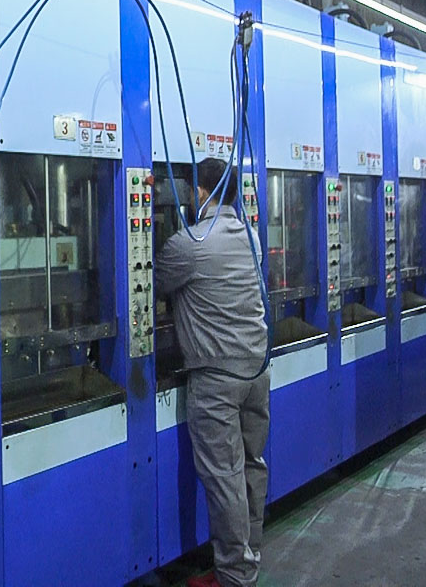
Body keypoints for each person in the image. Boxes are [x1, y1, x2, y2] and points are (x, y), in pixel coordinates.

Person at [154, 158, 270, 587]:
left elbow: (147, 284)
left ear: (201, 193)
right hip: (256, 370)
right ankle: (249, 554)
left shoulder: (191, 244)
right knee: (251, 464)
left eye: (190, 190)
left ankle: (235, 575)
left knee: (224, 478)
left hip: (217, 378)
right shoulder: (250, 236)